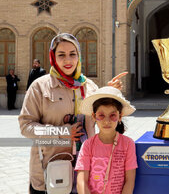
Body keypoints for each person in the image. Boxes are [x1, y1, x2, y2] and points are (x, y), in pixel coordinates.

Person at [18, 33, 127, 194]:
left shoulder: (89, 86)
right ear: (53, 57)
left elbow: (102, 117)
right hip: (50, 170)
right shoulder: (40, 87)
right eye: (61, 55)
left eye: (72, 54)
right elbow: (26, 126)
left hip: (86, 171)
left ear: (79, 56)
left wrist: (108, 93)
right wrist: (63, 132)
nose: (68, 60)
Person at [76, 86, 137, 194]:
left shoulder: (128, 144)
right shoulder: (88, 145)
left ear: (120, 116)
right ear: (94, 117)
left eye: (112, 115)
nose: (107, 121)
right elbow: (81, 181)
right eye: (101, 115)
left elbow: (129, 181)